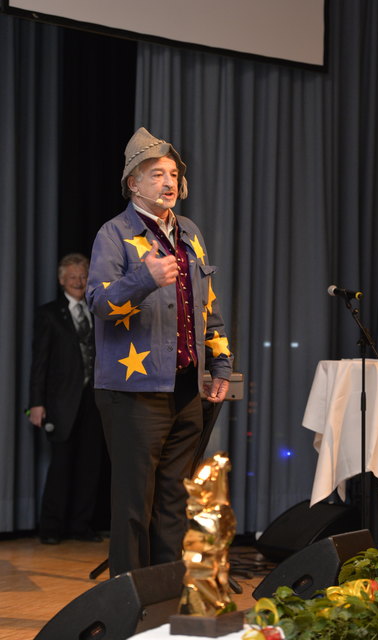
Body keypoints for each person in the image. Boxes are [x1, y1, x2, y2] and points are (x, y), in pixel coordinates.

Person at [87, 126, 233, 577]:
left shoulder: (190, 231)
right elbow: (99, 304)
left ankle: (167, 592)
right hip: (133, 392)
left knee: (173, 501)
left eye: (172, 174)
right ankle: (129, 599)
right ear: (134, 183)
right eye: (156, 174)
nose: (169, 182)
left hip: (185, 386)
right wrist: (144, 279)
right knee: (134, 503)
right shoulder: (114, 233)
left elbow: (207, 306)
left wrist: (221, 364)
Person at [28, 253, 105, 544]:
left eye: (83, 276)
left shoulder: (98, 312)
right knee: (61, 467)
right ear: (62, 280)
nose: (79, 282)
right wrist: (36, 404)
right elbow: (39, 363)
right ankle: (51, 528)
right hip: (61, 403)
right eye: (72, 277)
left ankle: (80, 526)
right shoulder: (48, 314)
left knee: (90, 465)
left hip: (94, 401)